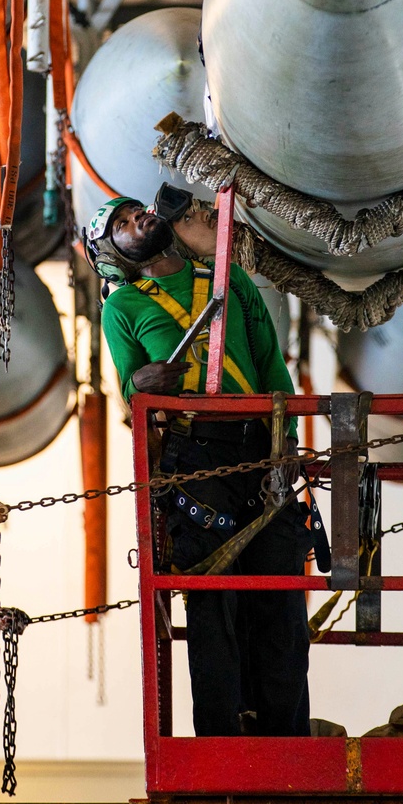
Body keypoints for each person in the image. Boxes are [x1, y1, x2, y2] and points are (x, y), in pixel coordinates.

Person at [84, 193, 313, 738]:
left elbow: (270, 366)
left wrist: (288, 445)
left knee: (281, 603)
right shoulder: (123, 309)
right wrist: (141, 384)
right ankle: (222, 742)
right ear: (114, 254)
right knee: (214, 607)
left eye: (136, 211)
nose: (136, 218)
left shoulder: (224, 279)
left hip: (261, 450)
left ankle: (287, 740)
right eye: (120, 223)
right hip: (196, 458)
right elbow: (127, 388)